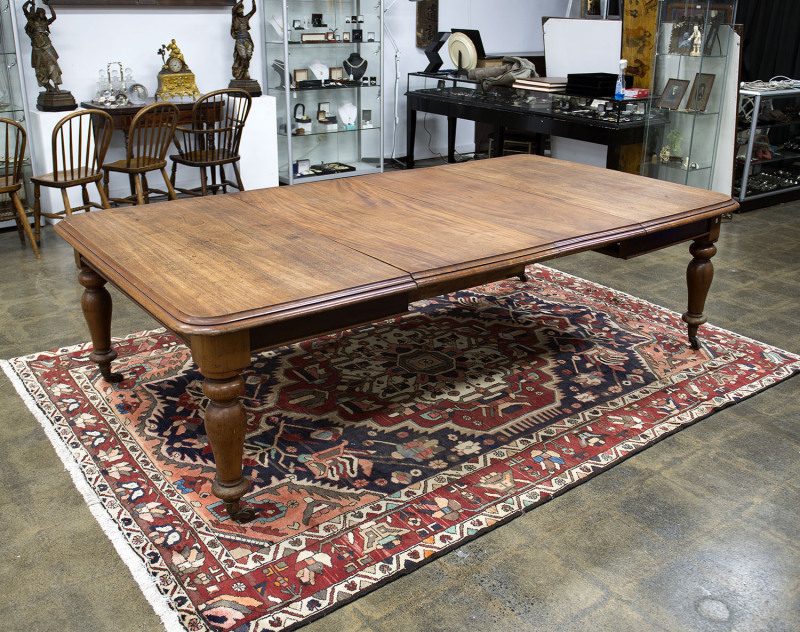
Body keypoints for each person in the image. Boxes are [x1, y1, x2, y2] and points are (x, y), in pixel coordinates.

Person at [22, 0, 62, 92]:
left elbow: (54, 17)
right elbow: (24, 8)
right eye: (41, 13)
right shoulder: (31, 22)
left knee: (53, 65)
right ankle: (47, 85)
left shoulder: (45, 23)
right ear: (37, 14)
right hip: (37, 49)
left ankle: (56, 85)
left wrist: (50, 6)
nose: (43, 14)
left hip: (47, 47)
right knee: (39, 68)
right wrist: (29, 2)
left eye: (43, 13)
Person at [231, 0, 257, 81]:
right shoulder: (235, 18)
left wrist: (253, 1)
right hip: (240, 40)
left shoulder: (246, 18)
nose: (241, 11)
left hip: (247, 39)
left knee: (248, 56)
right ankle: (242, 73)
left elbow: (253, 10)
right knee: (243, 56)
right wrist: (241, 0)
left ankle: (246, 72)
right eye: (239, 9)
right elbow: (233, 9)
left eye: (242, 9)